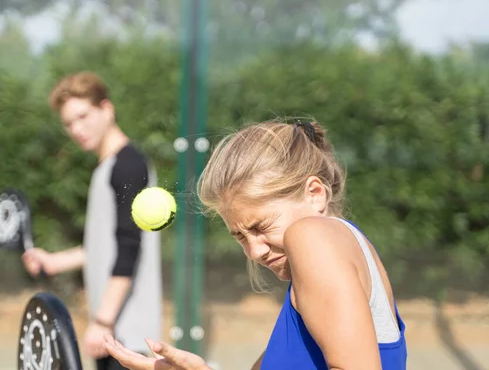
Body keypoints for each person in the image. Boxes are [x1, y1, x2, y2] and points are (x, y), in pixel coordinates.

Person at [103, 118, 408, 369]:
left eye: (262, 226)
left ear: (315, 194)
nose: (254, 251)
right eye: (240, 237)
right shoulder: (320, 276)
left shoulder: (313, 236)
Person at [21, 71, 163, 370]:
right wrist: (55, 261)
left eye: (83, 116)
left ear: (106, 109)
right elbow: (103, 246)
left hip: (127, 337)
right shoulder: (108, 167)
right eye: (69, 123)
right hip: (114, 334)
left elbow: (128, 248)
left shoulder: (127, 165)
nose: (76, 128)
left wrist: (102, 321)